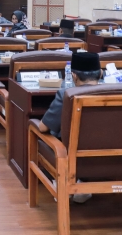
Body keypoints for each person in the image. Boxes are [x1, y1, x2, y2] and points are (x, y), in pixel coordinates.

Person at [38, 51, 101, 204]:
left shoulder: (67, 94)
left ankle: (63, 180)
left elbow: (42, 128)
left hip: (72, 158)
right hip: (107, 159)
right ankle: (81, 182)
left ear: (73, 76)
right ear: (101, 74)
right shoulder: (116, 94)